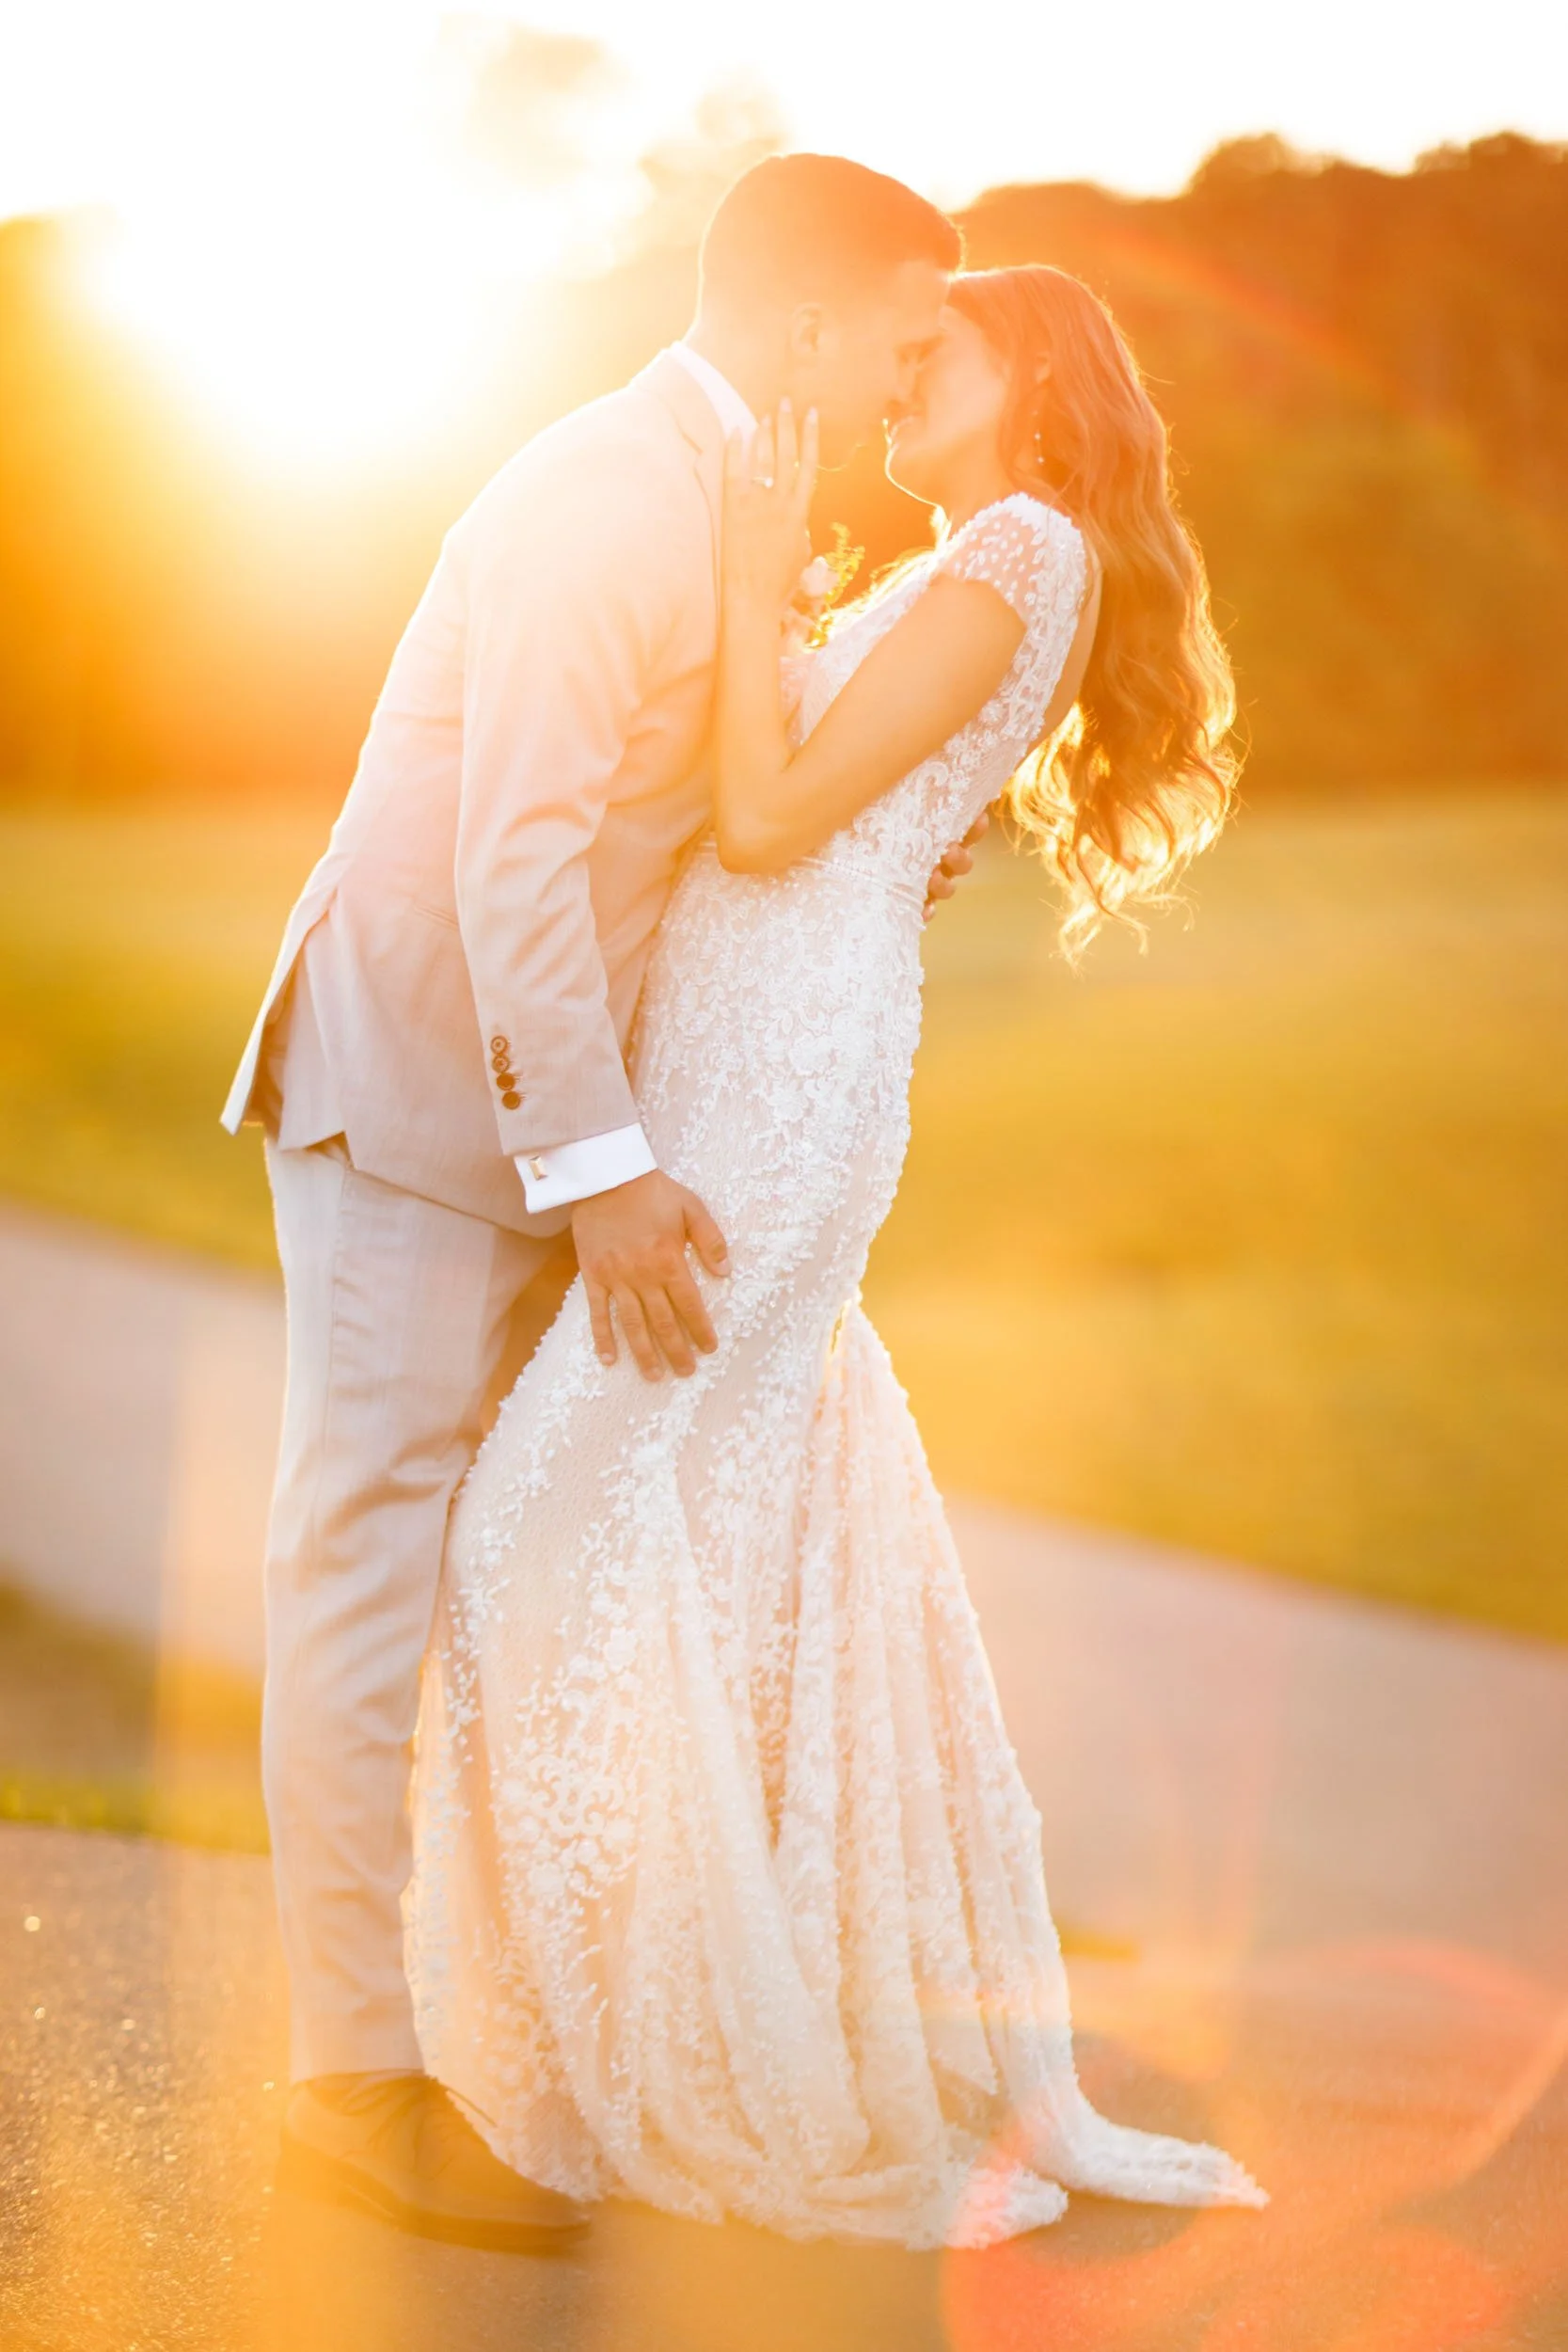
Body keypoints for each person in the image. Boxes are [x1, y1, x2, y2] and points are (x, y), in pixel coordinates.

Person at [404, 262, 1266, 2246]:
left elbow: (773, 818)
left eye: (927, 352)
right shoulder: (973, 561)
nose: (891, 380)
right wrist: (778, 615)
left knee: (546, 1515)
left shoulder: (1020, 548)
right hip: (739, 1044)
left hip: (777, 1082)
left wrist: (746, 571)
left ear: (1025, 374)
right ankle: (677, 2005)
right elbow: (829, 798)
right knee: (706, 1512)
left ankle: (680, 2035)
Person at [223, 152, 978, 2251]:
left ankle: (508, 2028)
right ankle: (350, 2082)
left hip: (539, 1118)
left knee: (513, 1560)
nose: (916, 371)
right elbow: (512, 858)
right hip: (413, 1095)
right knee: (365, 1559)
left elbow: (700, 803)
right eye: (907, 332)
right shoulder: (604, 493)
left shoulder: (733, 501)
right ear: (809, 322)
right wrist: (606, 1171)